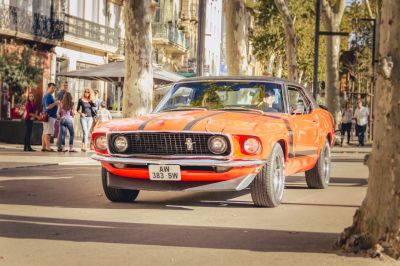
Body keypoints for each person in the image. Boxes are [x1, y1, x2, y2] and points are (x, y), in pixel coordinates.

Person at [42, 83, 60, 152]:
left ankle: (43, 147)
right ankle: (48, 147)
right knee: (48, 133)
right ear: (48, 87)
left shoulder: (47, 95)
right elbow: (48, 107)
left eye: (54, 88)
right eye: (52, 88)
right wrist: (56, 103)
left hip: (47, 116)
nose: (53, 89)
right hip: (49, 116)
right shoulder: (48, 96)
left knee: (45, 132)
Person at [56, 81, 69, 151]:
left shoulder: (67, 93)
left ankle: (60, 145)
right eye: (64, 85)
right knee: (62, 131)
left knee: (63, 131)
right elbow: (59, 104)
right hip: (62, 114)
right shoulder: (60, 93)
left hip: (66, 114)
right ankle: (59, 146)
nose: (66, 87)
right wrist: (58, 113)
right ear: (62, 86)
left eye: (67, 85)